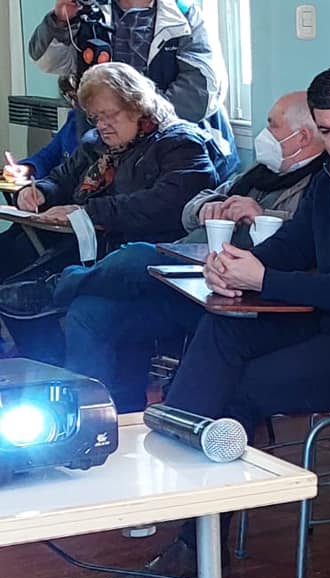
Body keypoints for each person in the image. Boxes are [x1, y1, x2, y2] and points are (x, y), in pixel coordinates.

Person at [106, 64, 330, 578]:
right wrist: (234, 267)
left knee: (238, 388)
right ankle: (179, 481)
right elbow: (295, 245)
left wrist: (264, 278)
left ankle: (193, 537)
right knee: (223, 328)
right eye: (328, 131)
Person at [0, 90, 325, 412]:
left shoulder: (320, 184)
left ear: (302, 137)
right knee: (89, 312)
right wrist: (208, 207)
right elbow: (192, 206)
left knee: (136, 256)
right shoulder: (259, 172)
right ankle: (101, 416)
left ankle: (59, 287)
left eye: (273, 125)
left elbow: (311, 240)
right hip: (190, 270)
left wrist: (260, 215)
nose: (264, 134)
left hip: (236, 288)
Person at [1, 62, 221, 364]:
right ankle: (44, 362)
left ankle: (54, 320)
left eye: (110, 115)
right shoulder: (96, 144)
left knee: (46, 296)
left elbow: (166, 205)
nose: (102, 125)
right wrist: (40, 191)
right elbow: (62, 177)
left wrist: (88, 211)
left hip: (130, 250)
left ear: (137, 105)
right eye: (95, 117)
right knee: (9, 270)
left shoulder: (181, 143)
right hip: (81, 242)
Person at [28, 0, 239, 178]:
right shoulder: (90, 14)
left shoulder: (185, 16)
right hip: (110, 155)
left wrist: (136, 123)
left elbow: (200, 91)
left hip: (175, 152)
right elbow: (48, 61)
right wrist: (60, 21)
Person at [3, 75, 86, 183]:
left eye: (76, 97)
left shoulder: (100, 132)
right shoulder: (74, 119)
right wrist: (26, 169)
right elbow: (48, 156)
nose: (74, 103)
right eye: (69, 97)